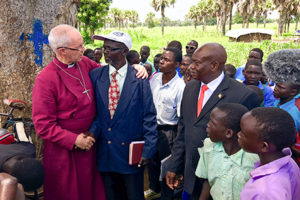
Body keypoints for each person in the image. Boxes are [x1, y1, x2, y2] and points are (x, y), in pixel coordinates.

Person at [32, 25, 147, 200]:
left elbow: (112, 71)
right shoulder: (46, 79)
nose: (84, 49)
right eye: (79, 47)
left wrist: (136, 68)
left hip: (91, 142)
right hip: (65, 151)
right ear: (62, 51)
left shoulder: (84, 64)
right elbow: (43, 125)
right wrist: (74, 140)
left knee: (93, 192)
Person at [165, 43, 260, 200]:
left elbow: (249, 144)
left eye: (197, 62)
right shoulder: (190, 88)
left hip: (222, 181)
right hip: (191, 174)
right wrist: (175, 165)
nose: (190, 67)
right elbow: (184, 129)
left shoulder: (242, 96)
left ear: (214, 65)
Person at [90, 31, 158, 200]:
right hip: (105, 152)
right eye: (104, 48)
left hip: (130, 155)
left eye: (110, 49)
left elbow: (149, 116)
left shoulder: (139, 78)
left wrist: (148, 150)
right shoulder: (96, 76)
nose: (105, 52)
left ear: (124, 51)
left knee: (133, 195)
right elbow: (95, 113)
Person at [196, 103, 258, 200]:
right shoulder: (209, 147)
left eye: (212, 123)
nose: (207, 125)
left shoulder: (254, 157)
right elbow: (208, 180)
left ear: (228, 133)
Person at [146, 48, 185, 200]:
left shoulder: (180, 86)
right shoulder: (155, 79)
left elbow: (181, 118)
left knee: (166, 166)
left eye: (166, 60)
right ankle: (154, 188)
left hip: (168, 131)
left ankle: (166, 195)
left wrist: (176, 139)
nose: (161, 61)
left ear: (176, 64)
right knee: (151, 161)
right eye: (161, 58)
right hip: (151, 128)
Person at [238, 107, 300, 200]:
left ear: (264, 146)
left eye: (243, 133)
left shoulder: (264, 191)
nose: (238, 134)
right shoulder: (289, 162)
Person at [263, 49, 300, 164]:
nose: (276, 89)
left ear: (293, 92)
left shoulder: (294, 109)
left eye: (281, 87)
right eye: (276, 85)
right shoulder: (279, 101)